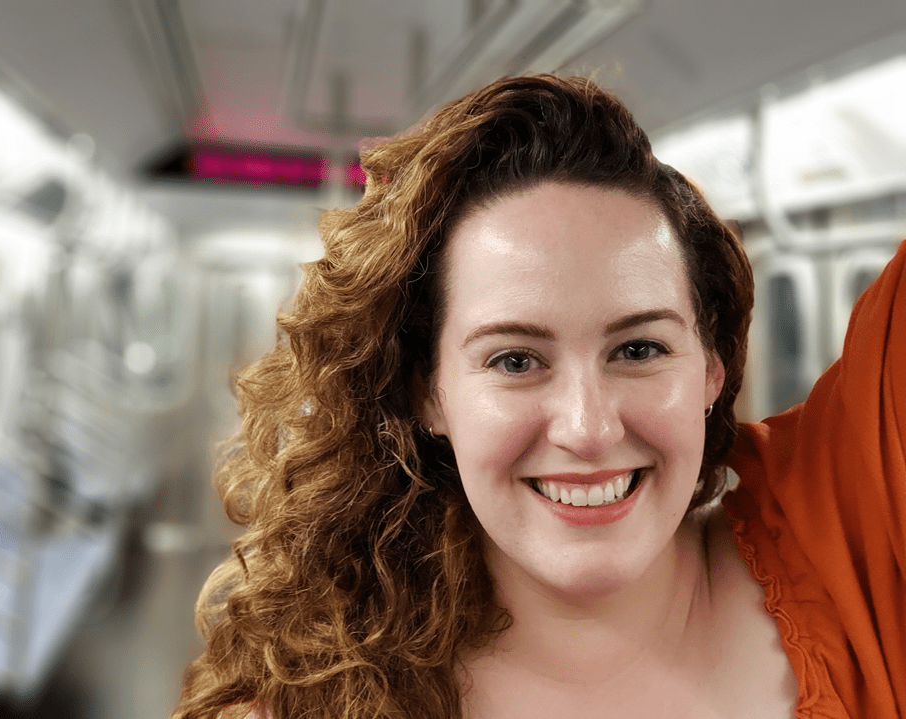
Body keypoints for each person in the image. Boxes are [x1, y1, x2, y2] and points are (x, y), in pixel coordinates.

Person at [172, 75, 906, 719]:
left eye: (639, 349)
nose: (587, 427)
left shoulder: (847, 546)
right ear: (429, 392)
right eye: (516, 359)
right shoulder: (299, 705)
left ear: (712, 365)